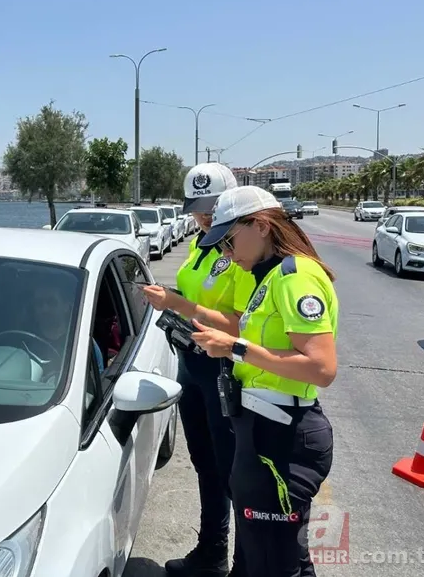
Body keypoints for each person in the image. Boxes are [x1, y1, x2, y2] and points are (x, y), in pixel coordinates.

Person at [188, 186, 338, 577]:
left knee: (274, 564)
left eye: (229, 241)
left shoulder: (294, 277)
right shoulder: (266, 276)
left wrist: (234, 349)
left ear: (260, 225)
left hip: (282, 437)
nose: (226, 254)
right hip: (260, 430)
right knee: (273, 559)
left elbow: (321, 368)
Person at [143, 163, 256, 577]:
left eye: (212, 208)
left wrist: (179, 306)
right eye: (198, 209)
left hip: (223, 371)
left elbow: (244, 322)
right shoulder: (201, 245)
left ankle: (245, 563)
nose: (204, 216)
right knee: (205, 464)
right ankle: (212, 552)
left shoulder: (239, 254)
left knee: (233, 473)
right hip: (191, 364)